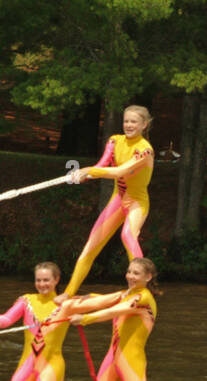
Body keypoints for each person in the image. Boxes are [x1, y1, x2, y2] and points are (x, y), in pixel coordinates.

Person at [61, 105, 155, 299]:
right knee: (90, 246)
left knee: (128, 235)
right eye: (126, 121)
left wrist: (89, 171)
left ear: (144, 125)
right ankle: (68, 294)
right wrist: (85, 176)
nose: (128, 125)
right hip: (118, 200)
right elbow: (102, 166)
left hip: (137, 202)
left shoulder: (145, 150)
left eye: (134, 122)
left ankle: (140, 290)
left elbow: (120, 172)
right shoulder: (114, 141)